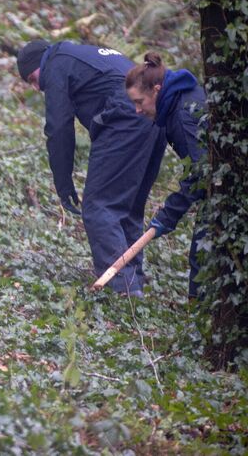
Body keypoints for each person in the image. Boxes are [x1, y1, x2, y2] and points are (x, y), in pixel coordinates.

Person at [17, 40, 166, 296]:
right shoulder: (79, 54)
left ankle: (123, 291)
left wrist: (63, 185)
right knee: (128, 207)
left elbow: (59, 128)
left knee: (99, 207)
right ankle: (133, 286)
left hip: (125, 117)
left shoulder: (55, 64)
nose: (36, 87)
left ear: (40, 63)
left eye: (33, 78)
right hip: (156, 114)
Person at [125, 53, 208, 299]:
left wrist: (168, 216)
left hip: (229, 192)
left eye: (140, 101)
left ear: (157, 90)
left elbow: (200, 173)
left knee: (203, 259)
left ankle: (202, 328)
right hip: (223, 185)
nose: (137, 110)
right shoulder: (182, 95)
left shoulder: (183, 116)